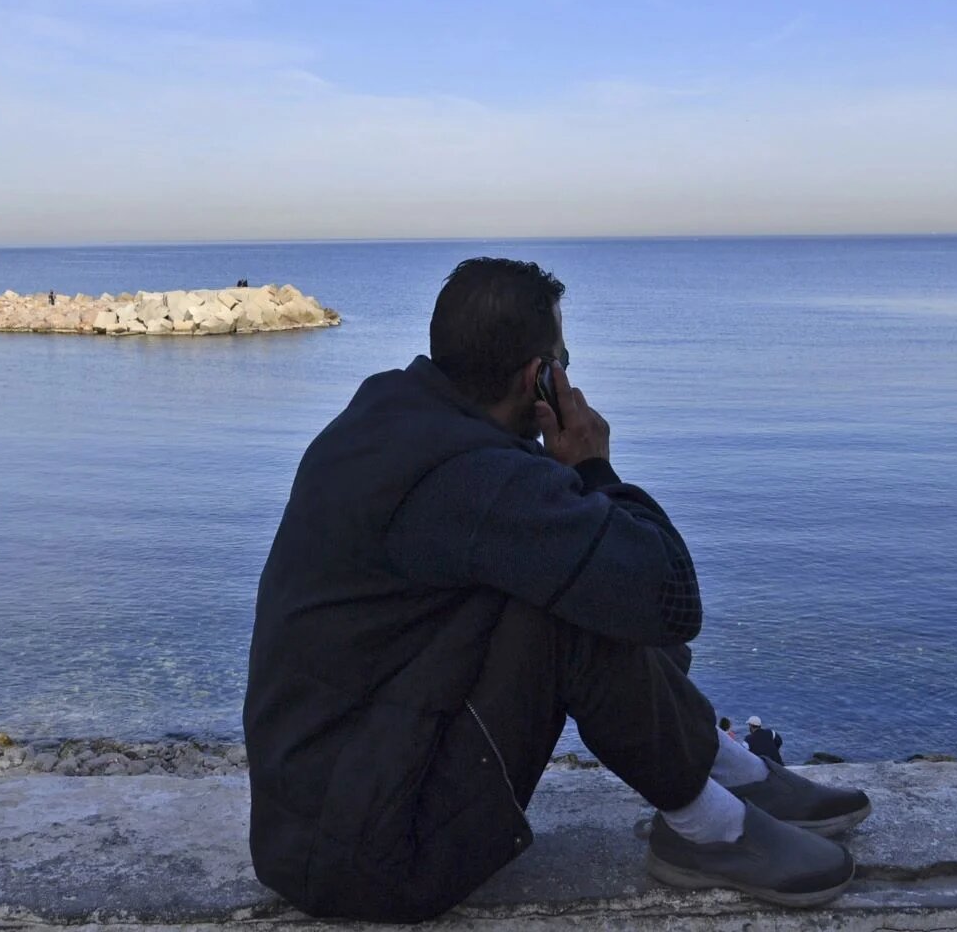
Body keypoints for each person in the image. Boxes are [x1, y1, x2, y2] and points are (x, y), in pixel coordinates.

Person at [246, 257, 870, 922]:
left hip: (320, 818)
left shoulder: (393, 419)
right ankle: (708, 829)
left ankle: (719, 766)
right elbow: (670, 602)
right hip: (377, 855)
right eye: (561, 358)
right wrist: (596, 469)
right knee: (569, 602)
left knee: (571, 566)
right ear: (537, 376)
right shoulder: (471, 475)